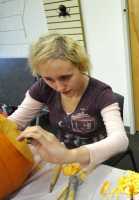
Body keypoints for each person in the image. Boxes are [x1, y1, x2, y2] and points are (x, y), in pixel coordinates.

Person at [9, 33, 129, 171]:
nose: (59, 87)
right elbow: (14, 123)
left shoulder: (101, 93)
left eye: (65, 77)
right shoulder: (42, 87)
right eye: (49, 79)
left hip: (98, 158)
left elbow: (120, 140)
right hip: (64, 156)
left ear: (81, 66)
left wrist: (69, 155)